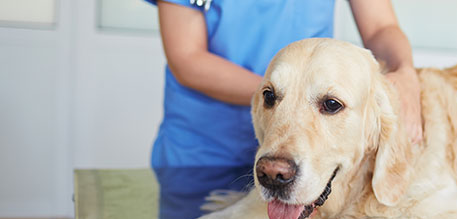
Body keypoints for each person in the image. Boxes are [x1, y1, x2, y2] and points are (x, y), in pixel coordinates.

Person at [146, 0, 422, 168]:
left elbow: (379, 28)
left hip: (310, 151)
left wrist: (405, 71)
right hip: (204, 150)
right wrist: (285, 99)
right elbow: (187, 59)